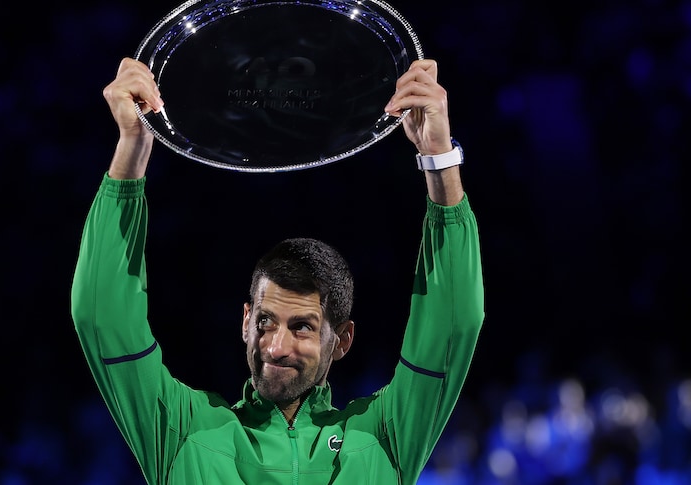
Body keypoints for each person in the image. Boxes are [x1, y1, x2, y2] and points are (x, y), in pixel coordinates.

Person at [71, 57, 485, 484]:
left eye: (303, 327)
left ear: (341, 340)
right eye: (266, 321)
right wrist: (131, 151)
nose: (276, 346)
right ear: (246, 321)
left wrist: (439, 158)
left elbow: (453, 324)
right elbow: (102, 316)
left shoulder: (384, 437)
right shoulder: (184, 433)